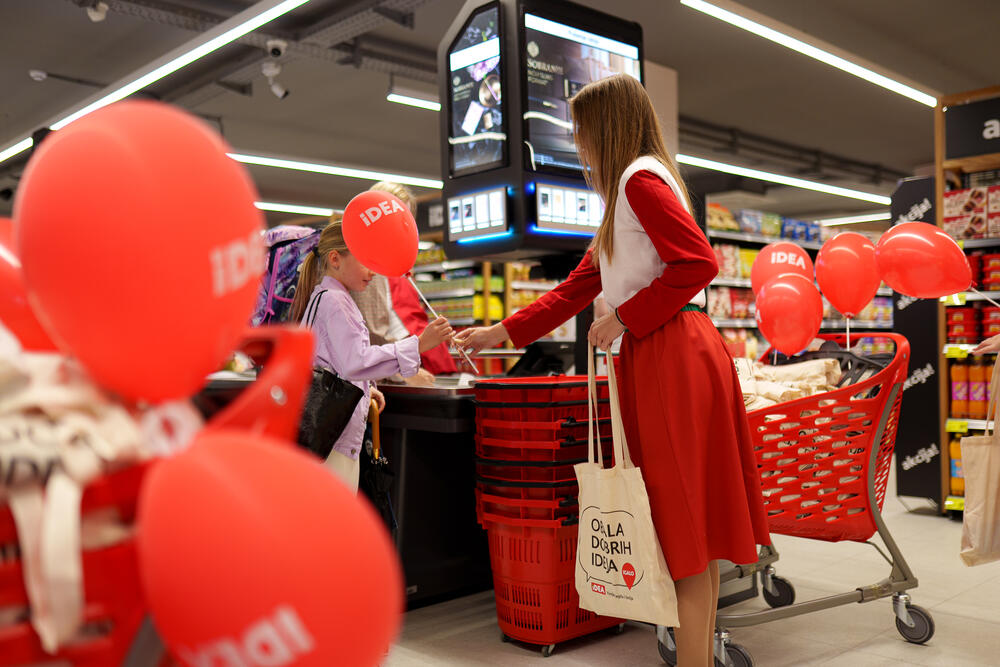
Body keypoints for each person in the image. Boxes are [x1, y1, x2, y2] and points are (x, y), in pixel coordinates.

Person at [455, 74, 770, 666]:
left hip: (668, 355)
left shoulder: (638, 182)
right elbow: (577, 287)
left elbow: (698, 263)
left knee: (682, 532)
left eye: (580, 131)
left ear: (606, 126)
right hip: (671, 352)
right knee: (692, 534)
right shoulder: (637, 186)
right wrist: (500, 333)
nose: (577, 144)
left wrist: (625, 317)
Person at [290, 215, 453, 491]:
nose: (373, 271)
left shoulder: (323, 296)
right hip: (336, 440)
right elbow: (356, 361)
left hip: (327, 434)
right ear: (335, 259)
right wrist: (419, 344)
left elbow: (336, 361)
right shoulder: (336, 302)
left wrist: (366, 389)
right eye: (366, 261)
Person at [351, 181, 457, 383]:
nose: (402, 227)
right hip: (375, 379)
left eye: (406, 219)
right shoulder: (366, 263)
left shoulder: (388, 261)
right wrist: (402, 370)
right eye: (398, 218)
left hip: (384, 372)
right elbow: (372, 333)